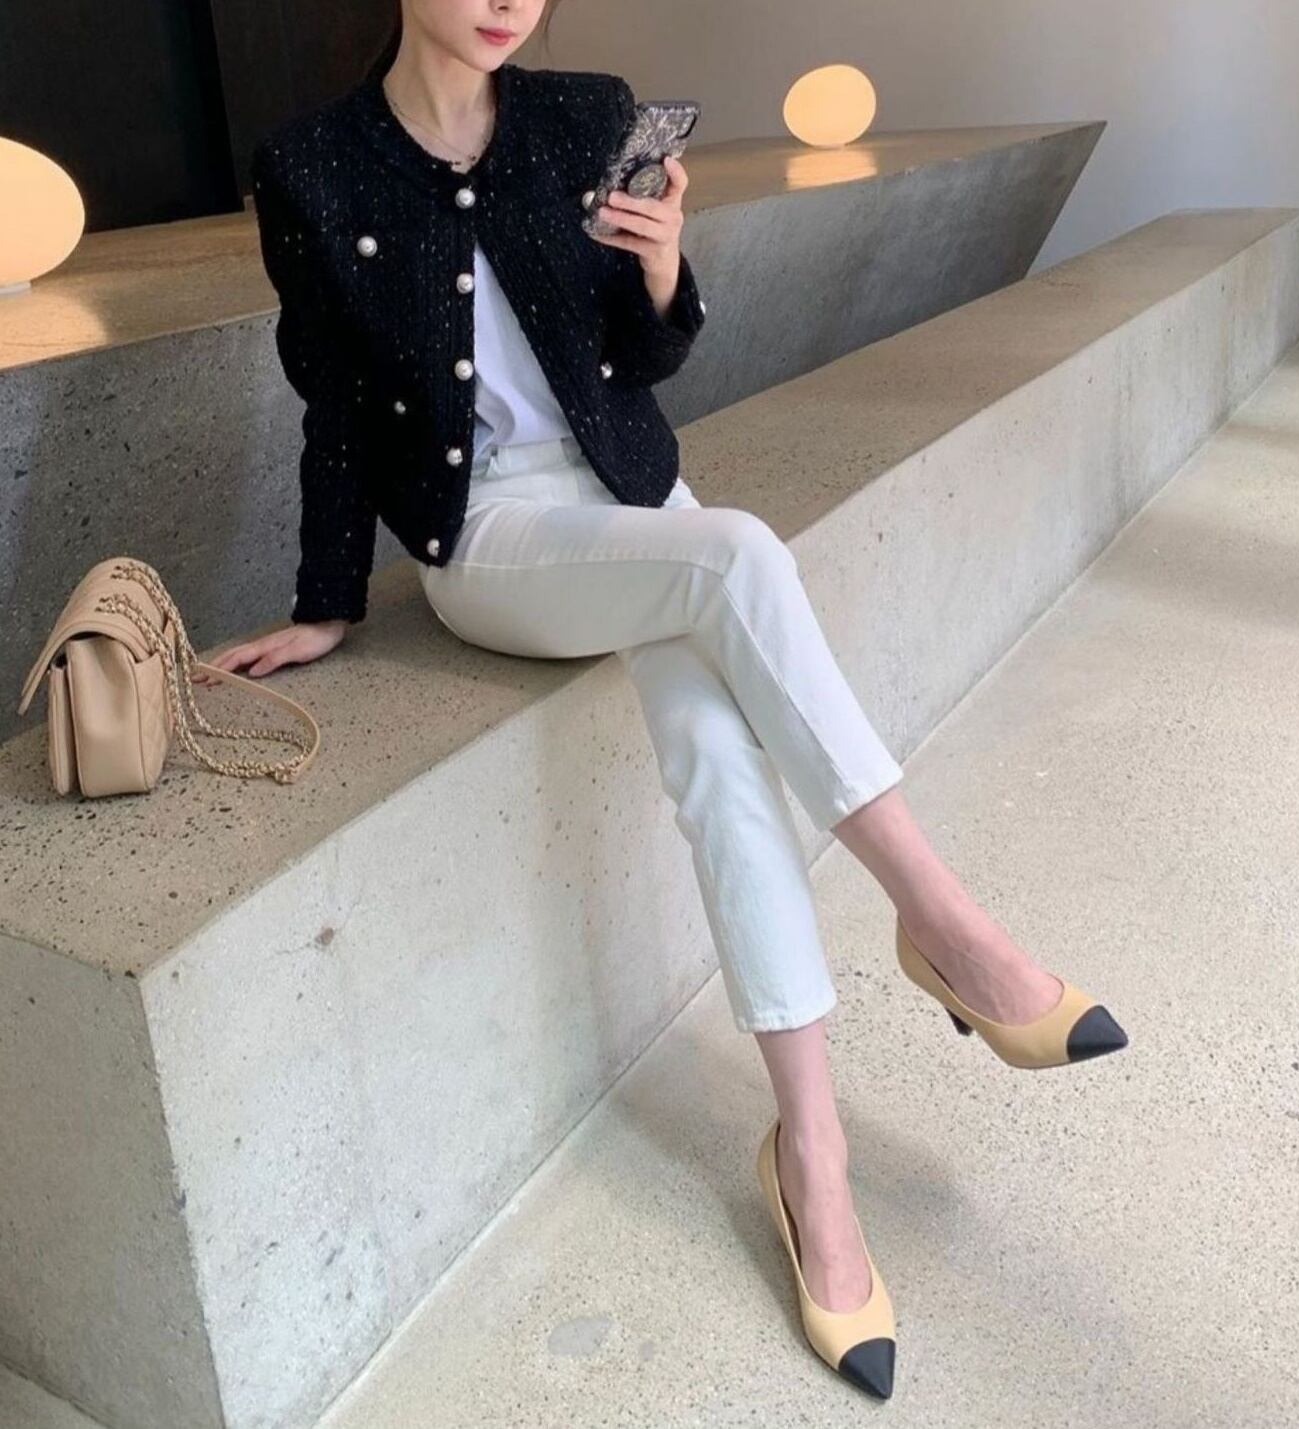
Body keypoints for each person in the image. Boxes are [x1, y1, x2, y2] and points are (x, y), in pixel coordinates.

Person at [213, 0, 1127, 1401]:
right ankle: (945, 925)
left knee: (713, 747)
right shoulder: (313, 166)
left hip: (633, 493)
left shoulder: (584, 115)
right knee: (740, 555)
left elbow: (640, 364)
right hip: (493, 539)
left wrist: (659, 272)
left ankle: (811, 1153)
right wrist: (327, 599)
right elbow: (331, 405)